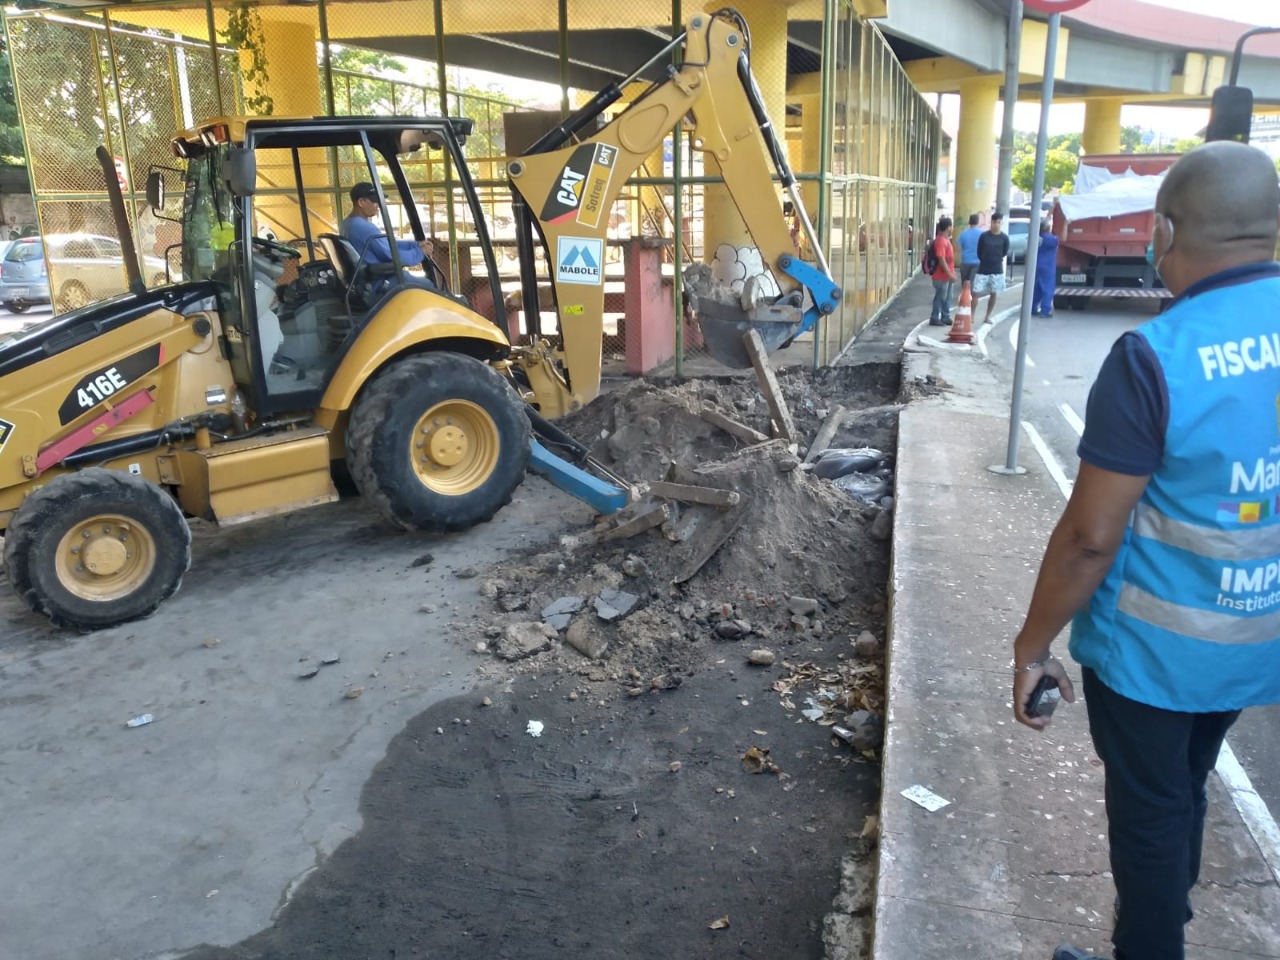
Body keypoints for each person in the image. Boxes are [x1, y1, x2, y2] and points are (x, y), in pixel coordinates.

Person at [1009, 141, 1280, 960]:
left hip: (1154, 656)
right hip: (1254, 636)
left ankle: (1152, 944)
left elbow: (1091, 538)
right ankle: (1164, 921)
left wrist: (1032, 645)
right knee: (1184, 789)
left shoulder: (1155, 356)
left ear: (1166, 228)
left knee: (1150, 818)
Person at [341, 182, 435, 277]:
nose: (378, 205)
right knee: (428, 285)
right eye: (374, 201)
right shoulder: (365, 227)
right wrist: (420, 251)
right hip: (379, 281)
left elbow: (387, 244)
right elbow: (391, 255)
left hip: (366, 277)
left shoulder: (347, 224)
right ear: (361, 202)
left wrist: (415, 245)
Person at [973, 212, 1010, 324]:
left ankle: (987, 316)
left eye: (999, 222)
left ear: (1001, 223)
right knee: (976, 292)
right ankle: (972, 316)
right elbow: (979, 251)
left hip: (997, 270)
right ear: (991, 222)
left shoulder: (1004, 238)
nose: (997, 224)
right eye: (995, 222)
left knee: (993, 293)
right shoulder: (984, 236)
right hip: (983, 269)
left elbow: (1004, 252)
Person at [927, 216, 957, 326]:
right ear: (948, 227)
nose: (952, 228)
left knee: (947, 297)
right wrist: (949, 274)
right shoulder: (941, 241)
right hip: (941, 276)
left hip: (945, 276)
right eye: (951, 226)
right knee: (940, 297)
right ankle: (935, 317)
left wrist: (950, 273)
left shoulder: (944, 240)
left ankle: (945, 316)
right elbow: (941, 259)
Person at [1031, 219, 1059, 317]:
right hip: (1047, 266)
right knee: (1047, 288)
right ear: (1047, 228)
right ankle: (1045, 311)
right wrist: (1066, 225)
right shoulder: (1050, 239)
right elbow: (1063, 238)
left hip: (1037, 265)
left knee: (1037, 288)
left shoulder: (1037, 237)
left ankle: (1032, 308)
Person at [955, 213, 983, 290]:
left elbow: (957, 248)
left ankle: (964, 299)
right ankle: (969, 300)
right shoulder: (982, 234)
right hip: (977, 262)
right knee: (972, 284)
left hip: (965, 261)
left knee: (964, 284)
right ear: (977, 222)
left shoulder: (963, 234)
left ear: (969, 222)